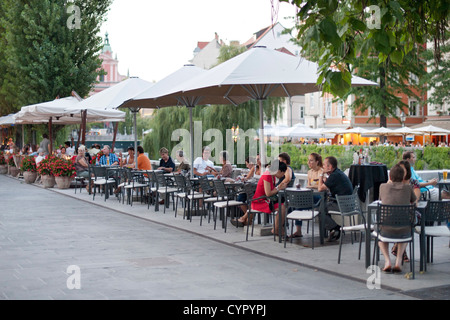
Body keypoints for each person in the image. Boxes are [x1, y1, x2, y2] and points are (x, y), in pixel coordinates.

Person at [378, 164, 417, 273]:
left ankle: (387, 261)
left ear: (390, 176)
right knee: (405, 230)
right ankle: (399, 260)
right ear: (404, 176)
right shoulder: (408, 188)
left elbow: (381, 199)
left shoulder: (383, 186)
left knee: (380, 239)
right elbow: (414, 202)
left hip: (385, 229)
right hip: (404, 230)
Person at [232, 160, 287, 234]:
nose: (283, 175)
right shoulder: (267, 175)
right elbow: (268, 193)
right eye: (283, 173)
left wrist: (278, 187)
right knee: (282, 207)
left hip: (264, 200)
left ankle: (277, 228)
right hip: (259, 201)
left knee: (283, 206)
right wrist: (278, 188)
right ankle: (277, 229)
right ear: (278, 171)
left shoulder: (272, 176)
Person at [318, 156, 353, 241]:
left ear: (330, 167)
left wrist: (320, 175)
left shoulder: (334, 175)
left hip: (342, 204)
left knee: (320, 210)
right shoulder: (338, 173)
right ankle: (332, 230)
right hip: (348, 203)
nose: (323, 167)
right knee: (323, 207)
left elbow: (320, 188)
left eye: (324, 165)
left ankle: (335, 228)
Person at [290, 152, 324, 238]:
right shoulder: (309, 172)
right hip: (310, 195)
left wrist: (312, 186)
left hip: (319, 197)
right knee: (297, 204)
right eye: (308, 160)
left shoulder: (321, 171)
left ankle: (291, 226)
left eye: (311, 161)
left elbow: (320, 186)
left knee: (296, 203)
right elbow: (309, 186)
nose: (308, 163)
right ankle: (298, 230)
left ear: (317, 162)